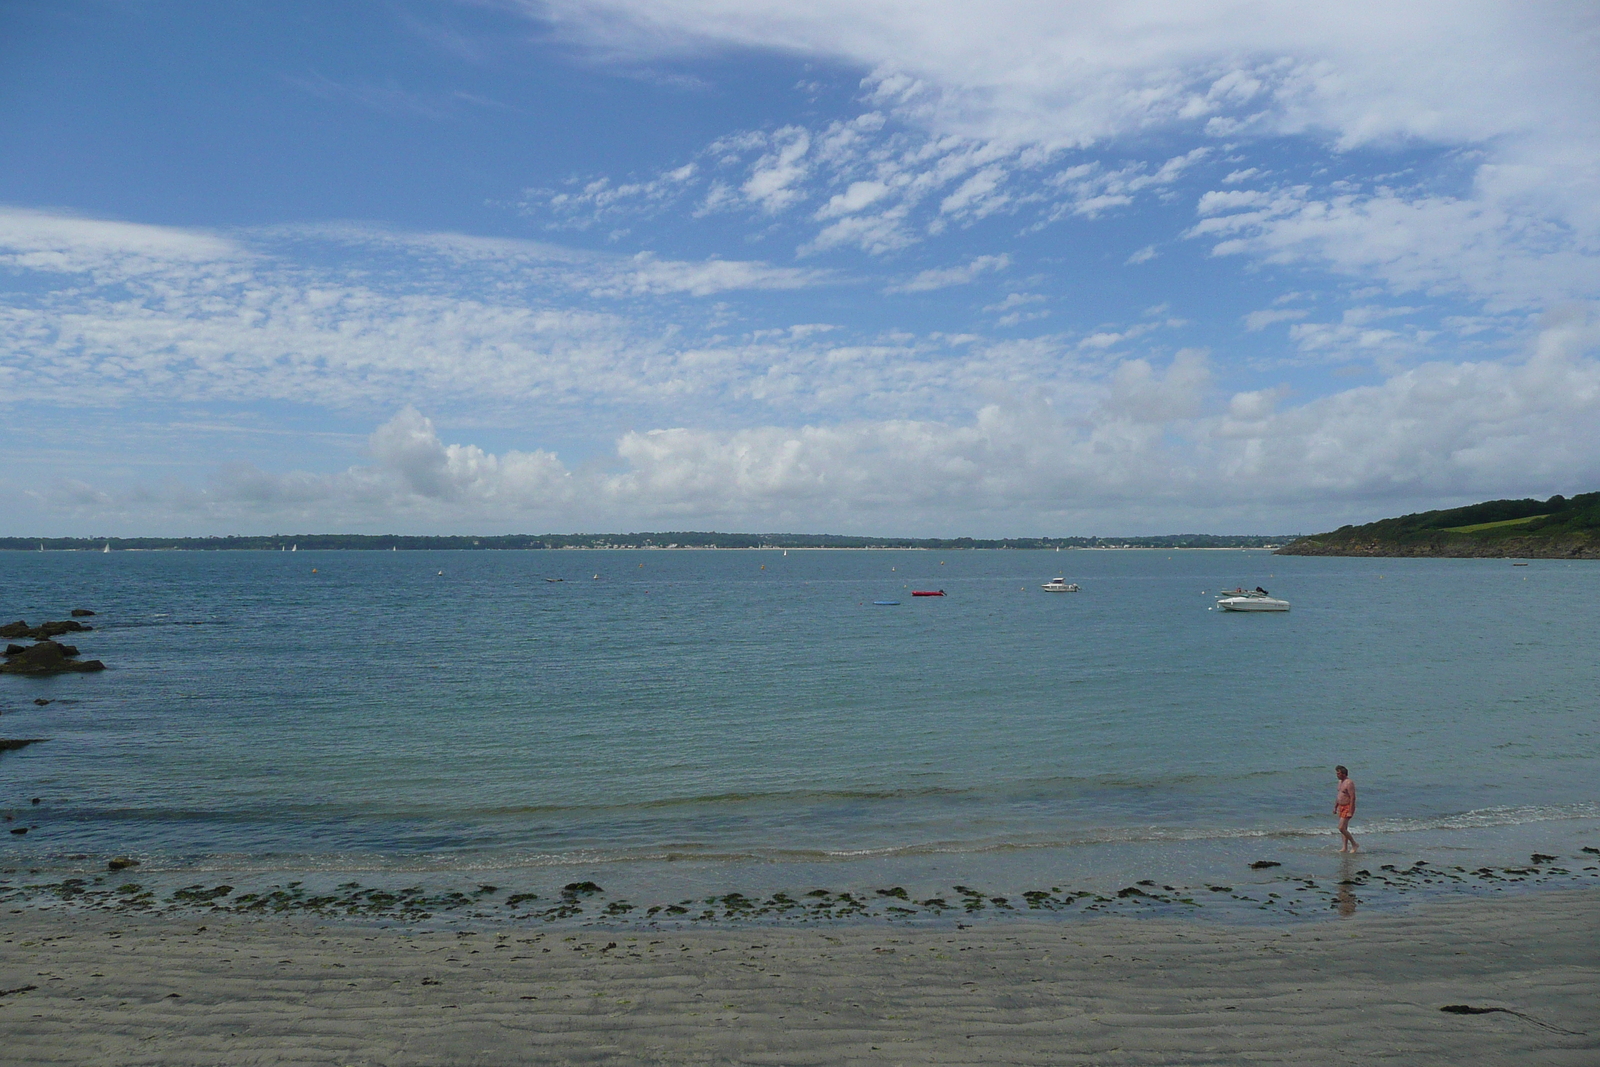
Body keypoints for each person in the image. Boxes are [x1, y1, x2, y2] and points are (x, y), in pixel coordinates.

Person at [1334, 765, 1358, 852]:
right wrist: (1335, 806)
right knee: (1344, 828)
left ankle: (1354, 844)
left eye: (1338, 773)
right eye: (1337, 773)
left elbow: (1352, 797)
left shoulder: (1349, 783)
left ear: (1343, 774)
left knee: (1341, 828)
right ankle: (1345, 847)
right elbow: (1339, 795)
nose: (1337, 775)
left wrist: (1350, 811)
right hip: (1341, 806)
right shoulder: (1340, 782)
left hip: (1348, 806)